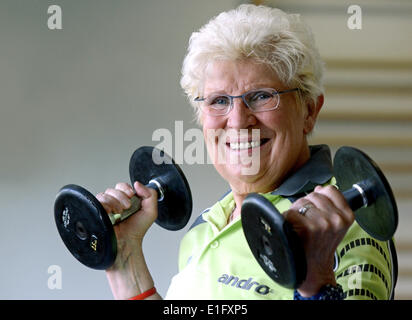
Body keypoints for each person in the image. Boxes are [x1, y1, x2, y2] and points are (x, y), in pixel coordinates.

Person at [97, 4, 397, 300]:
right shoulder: (206, 226)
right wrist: (125, 263)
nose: (238, 121)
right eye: (218, 101)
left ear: (309, 111)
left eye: (262, 96)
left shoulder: (339, 223)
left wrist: (317, 286)